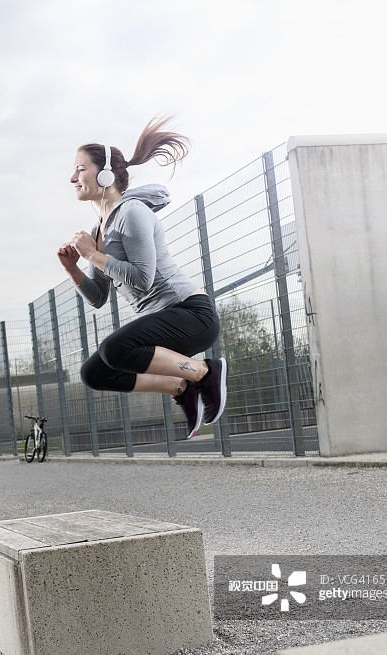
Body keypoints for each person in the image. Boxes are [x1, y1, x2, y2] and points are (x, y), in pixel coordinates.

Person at [57, 117, 227, 439]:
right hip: (162, 322)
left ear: (104, 174)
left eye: (79, 169)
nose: (72, 178)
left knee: (114, 349)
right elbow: (98, 297)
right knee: (94, 372)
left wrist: (94, 255)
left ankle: (206, 372)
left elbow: (143, 279)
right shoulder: (100, 229)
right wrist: (74, 268)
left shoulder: (132, 211)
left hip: (191, 314)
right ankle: (181, 386)